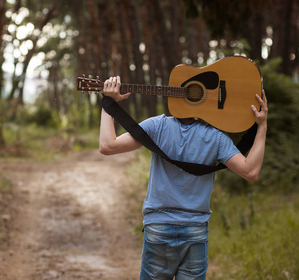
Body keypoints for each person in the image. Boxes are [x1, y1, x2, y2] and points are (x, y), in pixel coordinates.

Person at [99, 76, 268, 280]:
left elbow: (107, 146)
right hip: (195, 231)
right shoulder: (215, 137)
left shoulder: (157, 127)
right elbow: (251, 172)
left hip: (159, 228)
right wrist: (262, 126)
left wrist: (108, 104)